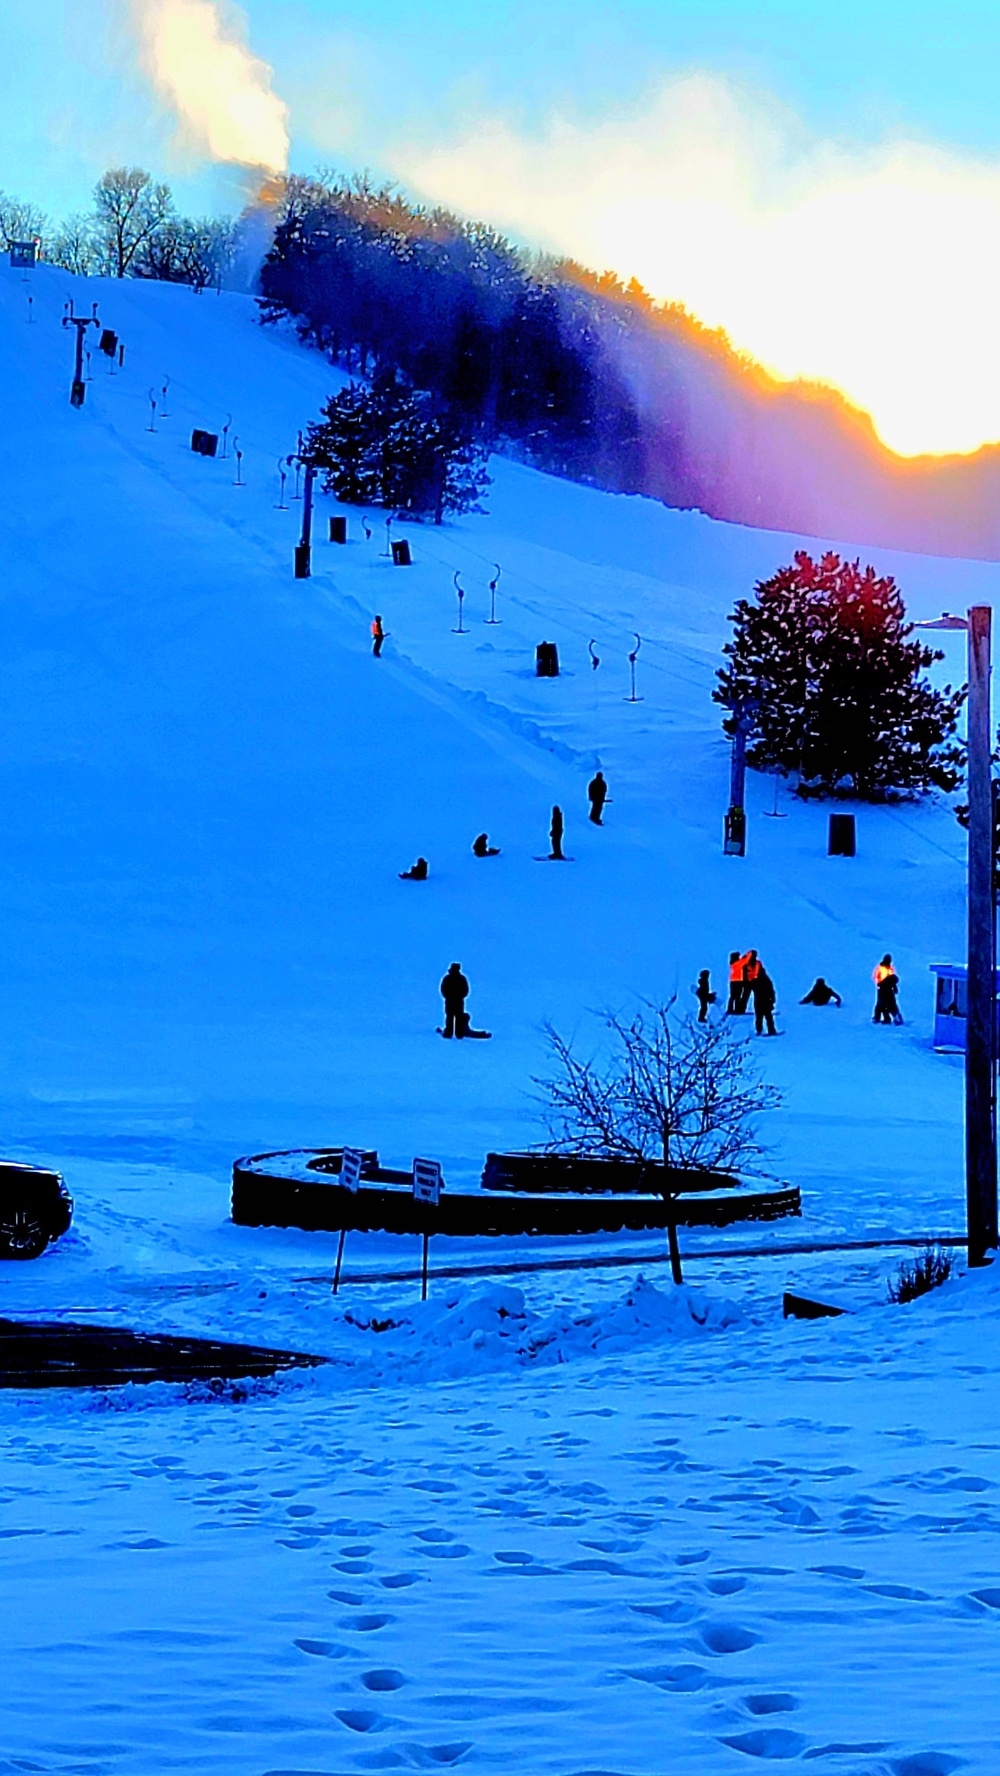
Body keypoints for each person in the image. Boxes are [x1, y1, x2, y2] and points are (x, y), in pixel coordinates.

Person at [440, 962, 469, 1038]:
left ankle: (450, 1033)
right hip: (455, 1001)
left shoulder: (449, 978)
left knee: (452, 1017)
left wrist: (449, 997)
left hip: (453, 1001)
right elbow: (465, 990)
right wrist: (458, 997)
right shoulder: (460, 978)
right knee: (454, 1017)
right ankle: (457, 1034)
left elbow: (465, 990)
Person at [873, 954, 902, 1025]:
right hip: (883, 989)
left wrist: (894, 986)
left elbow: (892, 978)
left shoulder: (890, 968)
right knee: (882, 1005)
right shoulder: (880, 968)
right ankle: (882, 1018)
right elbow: (877, 979)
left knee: (890, 1004)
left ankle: (894, 1019)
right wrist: (885, 983)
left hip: (889, 989)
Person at [752, 963, 778, 1036]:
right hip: (766, 1001)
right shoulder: (766, 979)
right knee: (768, 1016)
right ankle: (771, 1030)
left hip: (758, 1000)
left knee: (759, 1017)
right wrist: (773, 999)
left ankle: (759, 1030)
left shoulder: (755, 979)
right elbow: (771, 990)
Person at [737, 949, 760, 1016]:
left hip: (755, 982)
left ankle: (758, 1009)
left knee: (757, 996)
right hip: (747, 982)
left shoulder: (757, 963)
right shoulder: (745, 963)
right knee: (745, 996)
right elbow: (742, 972)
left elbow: (760, 972)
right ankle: (741, 1010)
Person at [726, 951, 745, 1015]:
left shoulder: (733, 963)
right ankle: (737, 1009)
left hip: (733, 981)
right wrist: (749, 953)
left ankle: (730, 1009)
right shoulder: (738, 963)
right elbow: (745, 960)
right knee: (737, 996)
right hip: (738, 981)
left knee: (733, 996)